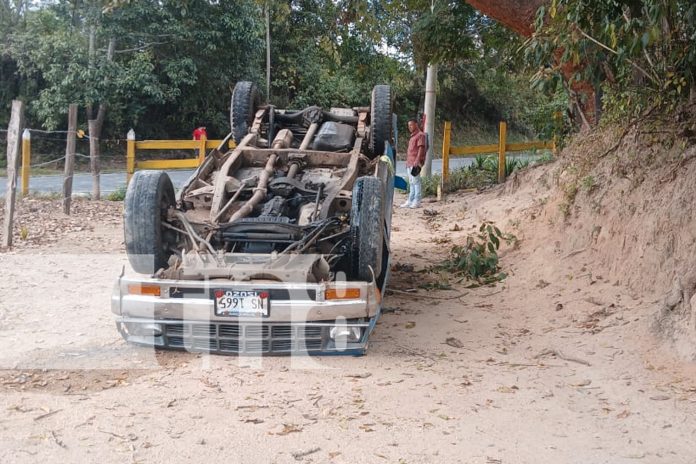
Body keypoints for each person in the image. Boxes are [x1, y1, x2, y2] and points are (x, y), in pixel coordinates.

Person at [401, 119, 426, 208]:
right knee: (411, 182)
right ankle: (410, 200)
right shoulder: (412, 136)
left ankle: (417, 201)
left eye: (411, 125)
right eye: (409, 125)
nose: (409, 127)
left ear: (416, 124)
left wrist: (417, 160)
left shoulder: (420, 135)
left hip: (415, 162)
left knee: (416, 181)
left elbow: (421, 148)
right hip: (409, 162)